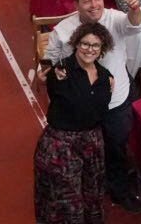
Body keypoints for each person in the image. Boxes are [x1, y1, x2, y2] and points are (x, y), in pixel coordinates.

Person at [43, 0, 141, 212]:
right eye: (87, 1)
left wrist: (135, 8)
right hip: (83, 109)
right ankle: (90, 192)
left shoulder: (116, 18)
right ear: (76, 5)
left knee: (117, 148)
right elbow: (48, 62)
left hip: (116, 101)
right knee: (88, 155)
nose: (94, 5)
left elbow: (134, 24)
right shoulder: (62, 31)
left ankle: (119, 191)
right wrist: (52, 72)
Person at [34, 21, 116, 224]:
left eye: (95, 45)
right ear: (76, 44)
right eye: (85, 44)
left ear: (102, 49)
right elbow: (45, 77)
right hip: (61, 145)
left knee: (93, 196)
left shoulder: (107, 79)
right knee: (66, 204)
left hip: (93, 142)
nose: (89, 49)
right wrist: (43, 77)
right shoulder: (61, 71)